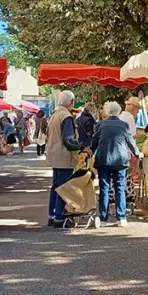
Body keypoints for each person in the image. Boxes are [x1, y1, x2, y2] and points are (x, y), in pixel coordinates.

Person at [92, 101, 142, 228]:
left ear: (107, 111)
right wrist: (137, 153)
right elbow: (130, 142)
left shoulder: (101, 125)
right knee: (120, 188)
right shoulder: (124, 125)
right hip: (120, 161)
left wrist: (89, 152)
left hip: (103, 160)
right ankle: (121, 217)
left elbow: (94, 142)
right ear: (119, 111)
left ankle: (103, 218)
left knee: (104, 188)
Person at [46, 91, 88, 228]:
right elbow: (69, 140)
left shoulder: (54, 115)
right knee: (64, 188)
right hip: (64, 157)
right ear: (72, 102)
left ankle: (52, 216)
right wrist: (82, 147)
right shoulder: (66, 117)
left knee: (56, 186)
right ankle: (59, 217)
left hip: (54, 155)